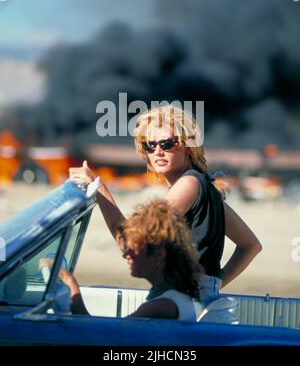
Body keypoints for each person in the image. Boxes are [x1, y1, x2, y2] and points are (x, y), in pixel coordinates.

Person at [69, 105, 262, 304]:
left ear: (189, 147)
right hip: (194, 299)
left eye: (167, 143)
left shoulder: (189, 184)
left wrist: (99, 189)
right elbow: (251, 245)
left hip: (180, 297)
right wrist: (213, 284)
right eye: (149, 145)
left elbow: (132, 243)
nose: (158, 151)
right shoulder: (206, 188)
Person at [40, 198, 204, 320]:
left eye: (133, 250)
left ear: (159, 255)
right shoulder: (177, 296)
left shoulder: (161, 306)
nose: (126, 255)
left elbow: (99, 337)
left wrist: (71, 284)